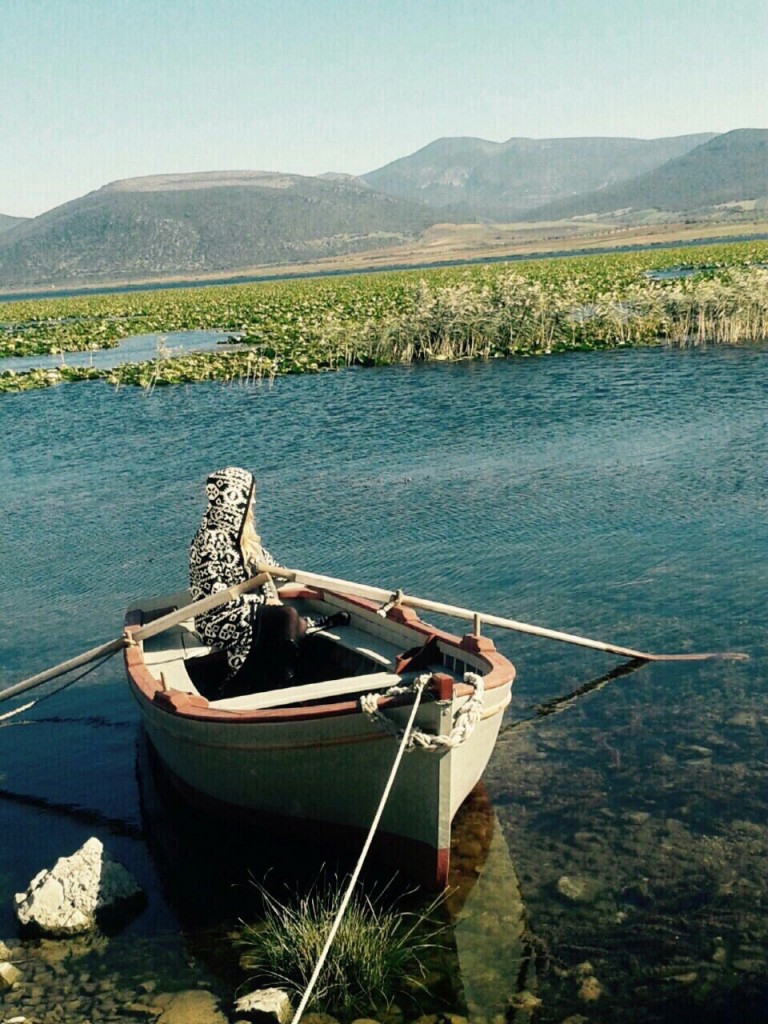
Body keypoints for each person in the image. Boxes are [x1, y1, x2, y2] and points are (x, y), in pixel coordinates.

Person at [188, 466, 309, 697]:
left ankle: (276, 680)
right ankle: (272, 686)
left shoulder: (245, 536)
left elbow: (274, 569)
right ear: (233, 499)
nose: (253, 502)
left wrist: (304, 584)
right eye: (250, 497)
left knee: (298, 624)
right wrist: (262, 602)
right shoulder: (207, 540)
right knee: (287, 616)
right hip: (216, 619)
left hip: (248, 608)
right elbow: (216, 598)